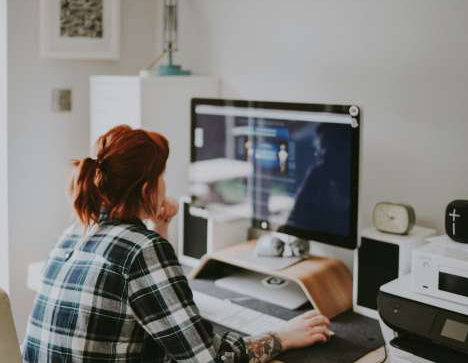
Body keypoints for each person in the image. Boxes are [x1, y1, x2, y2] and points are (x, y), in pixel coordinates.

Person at [22, 125, 332, 363]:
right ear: (147, 188)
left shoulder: (77, 230)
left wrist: (159, 227)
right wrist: (282, 336)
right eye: (163, 176)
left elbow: (156, 302)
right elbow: (207, 359)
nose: (166, 184)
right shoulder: (142, 249)